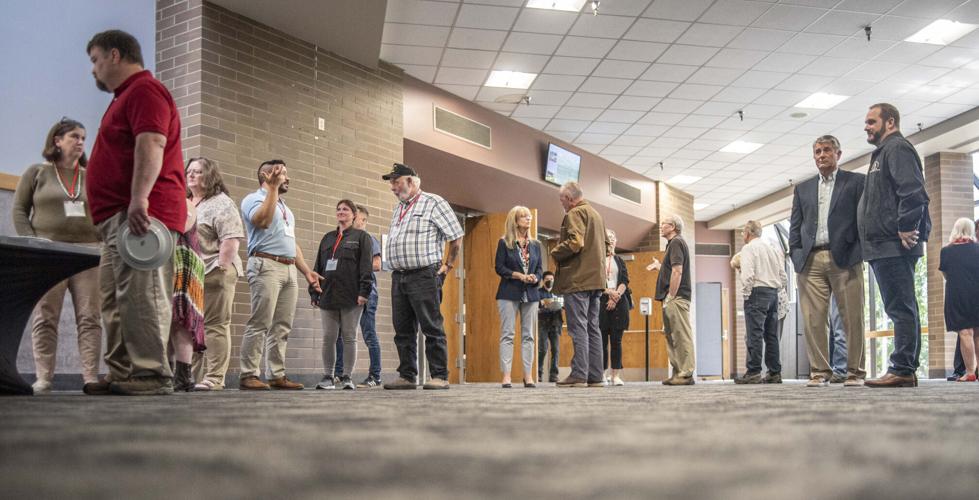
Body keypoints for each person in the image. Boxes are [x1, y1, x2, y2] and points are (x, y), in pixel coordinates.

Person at [84, 30, 187, 396]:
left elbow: (152, 141)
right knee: (115, 299)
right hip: (117, 219)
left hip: (142, 215)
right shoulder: (124, 97)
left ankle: (150, 374)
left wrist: (140, 198)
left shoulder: (145, 90)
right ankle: (123, 371)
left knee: (143, 295)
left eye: (95, 60)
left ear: (115, 55)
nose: (93, 70)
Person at [12, 118, 102, 393]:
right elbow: (19, 211)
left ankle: (90, 378)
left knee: (90, 317)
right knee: (45, 316)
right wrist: (34, 244)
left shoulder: (91, 175)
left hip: (87, 254)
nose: (80, 142)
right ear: (57, 140)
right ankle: (44, 378)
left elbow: (104, 211)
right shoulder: (37, 172)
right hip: (49, 254)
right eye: (74, 136)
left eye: (83, 138)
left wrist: (102, 240)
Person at [859, 103, 931, 388]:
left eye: (871, 121)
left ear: (890, 122)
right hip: (882, 244)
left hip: (893, 243)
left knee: (901, 307)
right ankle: (904, 367)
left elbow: (913, 192)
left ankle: (902, 368)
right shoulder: (883, 152)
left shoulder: (897, 148)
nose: (866, 126)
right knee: (899, 307)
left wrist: (905, 226)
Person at [789, 134, 867, 388]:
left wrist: (859, 251)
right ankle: (819, 371)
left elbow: (863, 220)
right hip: (810, 260)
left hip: (845, 258)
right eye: (817, 151)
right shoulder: (803, 189)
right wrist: (796, 255)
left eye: (826, 150)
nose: (821, 155)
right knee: (813, 319)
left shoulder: (856, 182)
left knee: (852, 317)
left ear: (838, 154)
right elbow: (796, 226)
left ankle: (854, 372)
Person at [239, 160, 322, 391]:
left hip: (288, 268)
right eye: (282, 173)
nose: (287, 178)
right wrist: (273, 189)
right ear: (266, 176)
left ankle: (276, 375)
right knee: (260, 322)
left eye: (286, 173)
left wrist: (306, 271)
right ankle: (248, 375)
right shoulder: (253, 199)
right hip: (266, 264)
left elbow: (290, 242)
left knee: (282, 325)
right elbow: (262, 221)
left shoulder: (286, 208)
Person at [381, 163, 463, 390]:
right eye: (391, 183)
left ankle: (439, 375)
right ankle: (407, 376)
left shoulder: (433, 202)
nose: (393, 187)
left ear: (411, 181)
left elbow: (456, 236)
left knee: (431, 327)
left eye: (396, 182)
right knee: (402, 330)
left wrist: (448, 265)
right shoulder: (399, 208)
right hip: (399, 276)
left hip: (424, 274)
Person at [186, 157, 244, 391]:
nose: (191, 175)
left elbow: (231, 238)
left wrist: (221, 266)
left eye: (198, 171)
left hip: (214, 270)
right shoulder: (187, 202)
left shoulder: (221, 202)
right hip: (191, 274)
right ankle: (193, 377)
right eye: (189, 171)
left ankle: (214, 377)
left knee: (215, 325)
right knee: (191, 327)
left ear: (210, 176)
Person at [311, 199, 375, 390]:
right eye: (338, 209)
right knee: (328, 337)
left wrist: (364, 291)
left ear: (354, 215)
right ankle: (328, 377)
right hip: (327, 294)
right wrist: (314, 292)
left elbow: (366, 266)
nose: (341, 212)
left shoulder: (362, 237)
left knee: (349, 336)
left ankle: (347, 377)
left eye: (345, 209)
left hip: (352, 295)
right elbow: (318, 266)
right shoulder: (327, 238)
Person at [552, 182, 609, 388]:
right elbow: (607, 247)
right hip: (596, 281)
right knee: (593, 327)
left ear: (569, 199)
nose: (562, 204)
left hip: (577, 280)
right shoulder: (596, 215)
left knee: (578, 328)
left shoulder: (574, 213)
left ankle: (579, 374)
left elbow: (576, 243)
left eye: (562, 200)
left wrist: (555, 251)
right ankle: (596, 376)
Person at [333, 204, 384, 388]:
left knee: (369, 334)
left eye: (355, 217)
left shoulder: (368, 238)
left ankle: (375, 376)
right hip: (348, 294)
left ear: (363, 220)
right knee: (341, 334)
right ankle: (339, 373)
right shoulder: (345, 239)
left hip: (366, 293)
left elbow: (377, 264)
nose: (351, 219)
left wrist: (354, 266)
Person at [494, 205, 543, 388]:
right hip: (508, 292)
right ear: (515, 221)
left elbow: (540, 269)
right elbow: (499, 267)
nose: (528, 219)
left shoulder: (536, 245)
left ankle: (528, 376)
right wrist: (519, 275)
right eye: (524, 217)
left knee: (528, 335)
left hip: (531, 293)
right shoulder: (504, 242)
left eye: (529, 216)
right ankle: (506, 376)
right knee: (508, 334)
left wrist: (535, 277)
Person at [734, 221, 787, 384]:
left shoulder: (748, 248)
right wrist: (776, 288)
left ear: (748, 233)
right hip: (773, 293)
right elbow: (783, 276)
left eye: (743, 232)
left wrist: (746, 294)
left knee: (754, 334)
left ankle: (753, 371)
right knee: (771, 335)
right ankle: (774, 372)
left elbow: (748, 274)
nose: (742, 235)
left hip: (756, 292)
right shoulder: (772, 248)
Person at [647, 215, 694, 385]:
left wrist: (671, 296)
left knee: (680, 336)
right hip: (672, 297)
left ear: (672, 226)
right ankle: (678, 373)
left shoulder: (676, 243)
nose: (660, 226)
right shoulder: (672, 244)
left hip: (676, 297)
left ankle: (685, 374)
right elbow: (671, 270)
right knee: (672, 336)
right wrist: (660, 267)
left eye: (663, 224)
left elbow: (677, 271)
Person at [169, 199, 206, 392]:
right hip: (167, 261)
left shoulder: (184, 202)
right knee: (167, 320)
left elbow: (179, 228)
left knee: (181, 319)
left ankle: (183, 376)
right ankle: (168, 374)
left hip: (184, 261)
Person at [938, 218, 979, 382]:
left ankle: (970, 372)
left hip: (958, 294)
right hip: (977, 293)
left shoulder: (946, 251)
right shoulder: (978, 249)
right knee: (978, 333)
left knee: (965, 333)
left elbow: (946, 274)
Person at [600, 229, 631, 386]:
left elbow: (624, 281)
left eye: (613, 237)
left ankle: (615, 375)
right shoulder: (597, 259)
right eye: (608, 237)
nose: (611, 239)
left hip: (619, 304)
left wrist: (616, 295)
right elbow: (594, 282)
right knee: (601, 341)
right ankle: (602, 373)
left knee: (616, 341)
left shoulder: (619, 260)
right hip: (601, 303)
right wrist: (609, 293)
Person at [537, 271, 563, 383]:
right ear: (543, 281)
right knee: (542, 349)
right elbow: (536, 308)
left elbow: (563, 305)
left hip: (556, 323)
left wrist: (558, 304)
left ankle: (554, 375)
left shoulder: (558, 292)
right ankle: (538, 373)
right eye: (547, 279)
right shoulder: (538, 293)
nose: (550, 281)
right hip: (543, 323)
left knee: (555, 350)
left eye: (551, 279)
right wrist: (543, 304)